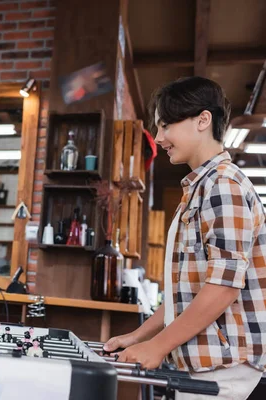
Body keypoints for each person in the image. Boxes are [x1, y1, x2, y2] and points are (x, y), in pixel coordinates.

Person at [103, 77, 266, 399]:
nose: (160, 138)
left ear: (203, 120)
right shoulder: (201, 188)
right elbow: (186, 292)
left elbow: (223, 285)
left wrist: (159, 345)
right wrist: (139, 336)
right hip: (205, 362)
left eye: (165, 126)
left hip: (225, 365)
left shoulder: (223, 185)